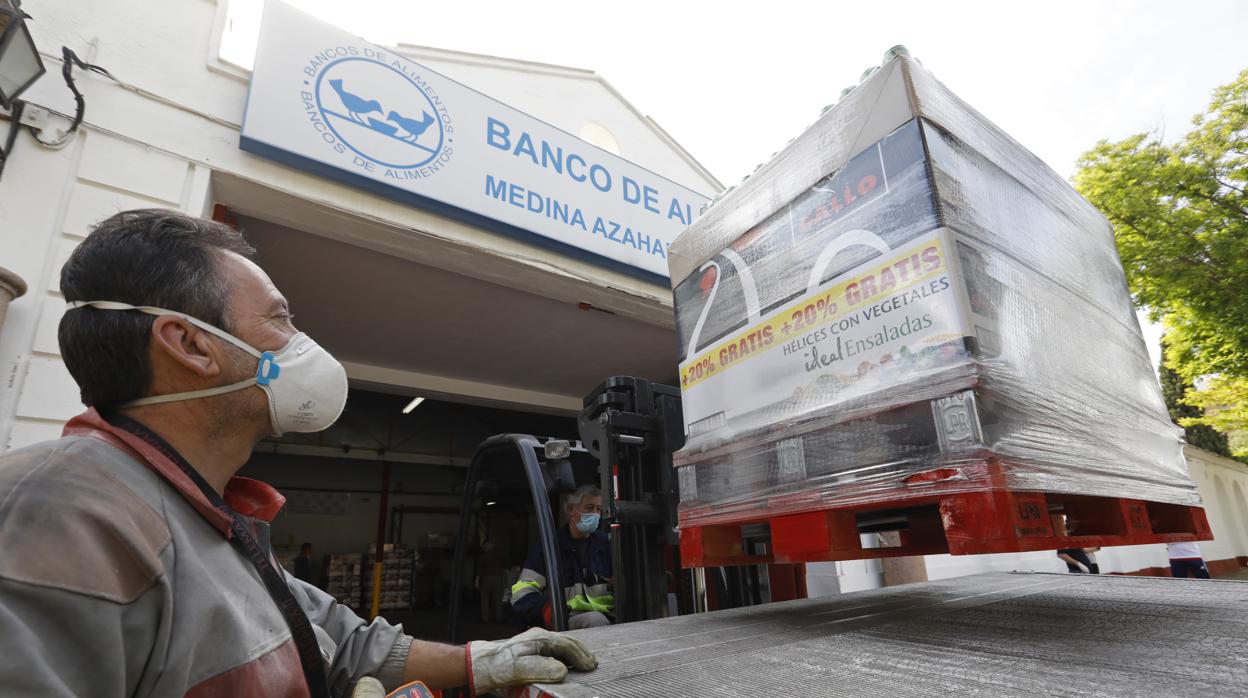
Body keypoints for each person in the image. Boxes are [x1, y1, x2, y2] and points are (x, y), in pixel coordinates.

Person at [0, 210, 596, 697]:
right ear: (189, 345)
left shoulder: (212, 517)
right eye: (280, 320)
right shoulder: (56, 513)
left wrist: (482, 661)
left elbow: (341, 641)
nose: (301, 344)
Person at [512, 485, 614, 630]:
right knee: (595, 620)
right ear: (571, 510)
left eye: (598, 509)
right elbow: (522, 592)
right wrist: (545, 609)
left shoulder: (608, 543)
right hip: (568, 619)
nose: (595, 514)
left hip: (611, 615)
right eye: (589, 508)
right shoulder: (549, 547)